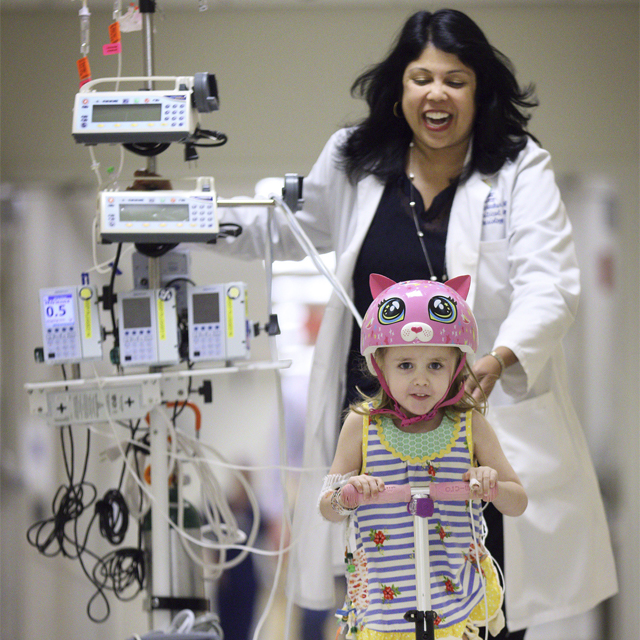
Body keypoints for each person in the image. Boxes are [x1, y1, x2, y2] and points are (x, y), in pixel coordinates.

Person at [211, 8, 618, 635]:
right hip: (379, 442)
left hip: (474, 434)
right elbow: (283, 229)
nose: (437, 93)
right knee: (382, 608)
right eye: (421, 77)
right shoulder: (356, 160)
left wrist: (498, 359)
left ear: (478, 91)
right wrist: (184, 223)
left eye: (455, 79)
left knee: (480, 610)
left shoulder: (517, 168)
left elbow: (551, 287)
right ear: (398, 90)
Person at [318, 275, 527, 640]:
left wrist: (492, 486)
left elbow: (518, 501)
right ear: (378, 366)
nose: (420, 380)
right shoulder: (361, 426)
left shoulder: (469, 424)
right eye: (405, 365)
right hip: (383, 603)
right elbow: (327, 508)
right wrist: (347, 493)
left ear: (457, 368)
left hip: (455, 601)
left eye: (435, 365)